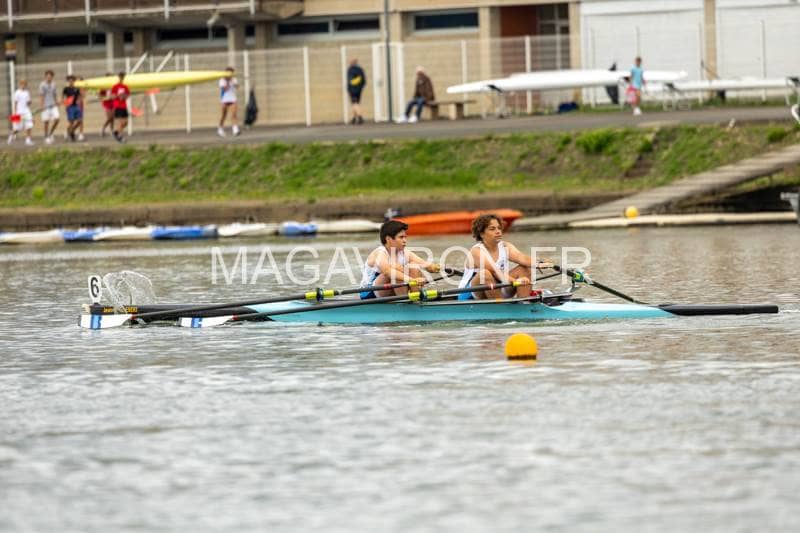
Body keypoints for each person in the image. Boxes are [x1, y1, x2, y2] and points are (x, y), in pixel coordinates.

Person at [457, 213, 553, 300]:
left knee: (526, 268)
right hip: (471, 293)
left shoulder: (505, 246)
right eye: (492, 229)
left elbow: (522, 258)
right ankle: (500, 307)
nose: (498, 231)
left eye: (499, 228)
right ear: (481, 234)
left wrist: (538, 264)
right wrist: (516, 281)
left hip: (498, 286)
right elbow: (494, 271)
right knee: (485, 274)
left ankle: (524, 303)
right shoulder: (476, 251)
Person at [360, 220, 441, 299]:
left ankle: (415, 298)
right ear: (388, 239)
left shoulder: (404, 253)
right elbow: (387, 271)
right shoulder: (380, 252)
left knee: (414, 267)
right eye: (401, 237)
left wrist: (434, 267)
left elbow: (425, 265)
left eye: (405, 237)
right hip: (369, 292)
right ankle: (405, 300)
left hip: (389, 289)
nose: (405, 241)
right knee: (396, 270)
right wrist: (412, 280)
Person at [8, 79, 35, 146]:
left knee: (29, 125)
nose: (24, 85)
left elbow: (28, 103)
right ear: (20, 84)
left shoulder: (27, 92)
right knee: (17, 128)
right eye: (22, 84)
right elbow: (15, 103)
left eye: (25, 84)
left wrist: (29, 102)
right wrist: (15, 113)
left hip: (27, 111)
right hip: (19, 112)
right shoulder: (17, 92)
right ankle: (11, 136)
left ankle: (28, 140)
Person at [218, 67, 240, 137]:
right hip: (225, 99)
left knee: (234, 114)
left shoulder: (234, 79)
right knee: (223, 115)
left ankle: (235, 129)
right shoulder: (222, 80)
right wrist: (228, 81)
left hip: (233, 99)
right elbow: (225, 89)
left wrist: (233, 82)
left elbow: (237, 87)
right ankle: (220, 128)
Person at [39, 70, 59, 144]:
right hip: (45, 106)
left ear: (52, 77)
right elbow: (41, 96)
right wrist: (42, 105)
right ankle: (46, 136)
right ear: (45, 76)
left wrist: (56, 102)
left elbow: (55, 94)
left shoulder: (54, 84)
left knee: (57, 119)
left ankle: (50, 134)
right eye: (47, 76)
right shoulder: (42, 85)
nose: (49, 77)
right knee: (46, 122)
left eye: (50, 76)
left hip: (53, 105)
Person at [111, 72, 130, 143]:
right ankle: (120, 137)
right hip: (118, 106)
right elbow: (112, 96)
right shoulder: (115, 86)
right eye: (121, 77)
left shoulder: (125, 87)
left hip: (124, 106)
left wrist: (124, 96)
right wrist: (118, 96)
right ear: (119, 77)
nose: (122, 78)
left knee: (125, 122)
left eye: (123, 77)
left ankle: (116, 132)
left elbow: (127, 95)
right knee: (120, 122)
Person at [62, 75, 82, 142]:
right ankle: (71, 134)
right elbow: (63, 97)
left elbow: (79, 96)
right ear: (68, 81)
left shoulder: (76, 88)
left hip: (76, 106)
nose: (71, 82)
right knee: (71, 122)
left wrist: (79, 102)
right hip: (70, 107)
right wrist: (65, 104)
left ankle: (71, 131)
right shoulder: (66, 89)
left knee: (79, 121)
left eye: (72, 80)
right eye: (70, 81)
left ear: (74, 81)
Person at [347, 59, 366, 125]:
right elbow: (364, 81)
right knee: (356, 103)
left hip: (353, 90)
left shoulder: (350, 70)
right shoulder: (360, 69)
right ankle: (354, 118)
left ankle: (360, 117)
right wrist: (360, 87)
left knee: (354, 103)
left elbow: (350, 81)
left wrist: (350, 88)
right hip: (359, 89)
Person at [99, 72, 114, 137]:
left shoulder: (113, 85)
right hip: (107, 103)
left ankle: (112, 131)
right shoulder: (103, 86)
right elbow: (100, 96)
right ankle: (103, 128)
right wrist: (105, 98)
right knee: (109, 117)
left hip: (113, 102)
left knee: (112, 118)